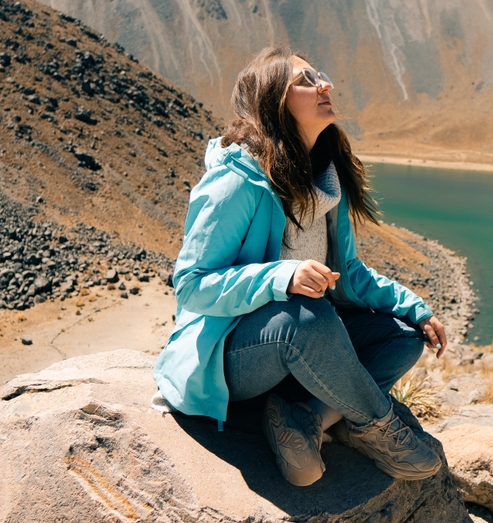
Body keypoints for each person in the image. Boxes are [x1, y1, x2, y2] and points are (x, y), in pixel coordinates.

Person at [153, 46, 449, 487]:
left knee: (400, 336)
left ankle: (305, 416)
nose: (325, 85)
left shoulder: (325, 181)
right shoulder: (237, 177)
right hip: (235, 356)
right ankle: (378, 428)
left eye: (320, 76)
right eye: (306, 81)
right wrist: (281, 276)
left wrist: (415, 308)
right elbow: (192, 285)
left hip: (304, 343)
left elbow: (347, 273)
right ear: (274, 101)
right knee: (308, 317)